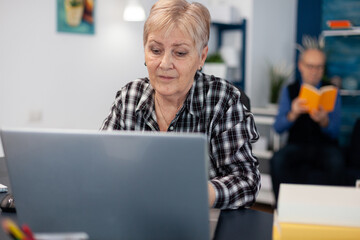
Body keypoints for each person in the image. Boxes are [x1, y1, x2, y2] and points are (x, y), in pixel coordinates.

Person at [100, 0, 261, 209]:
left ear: (201, 56)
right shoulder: (129, 97)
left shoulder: (223, 99)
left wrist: (199, 194)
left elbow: (246, 180)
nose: (165, 64)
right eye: (156, 50)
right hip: (136, 215)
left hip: (199, 219)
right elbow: (100, 165)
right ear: (145, 51)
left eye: (180, 53)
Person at [270, 40, 344, 202]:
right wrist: (293, 113)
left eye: (319, 67)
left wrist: (324, 121)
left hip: (324, 147)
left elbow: (335, 131)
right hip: (297, 145)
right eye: (310, 66)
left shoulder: (331, 91)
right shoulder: (289, 90)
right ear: (300, 66)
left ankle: (332, 209)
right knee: (278, 159)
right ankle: (281, 209)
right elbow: (278, 128)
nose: (314, 72)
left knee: (336, 161)